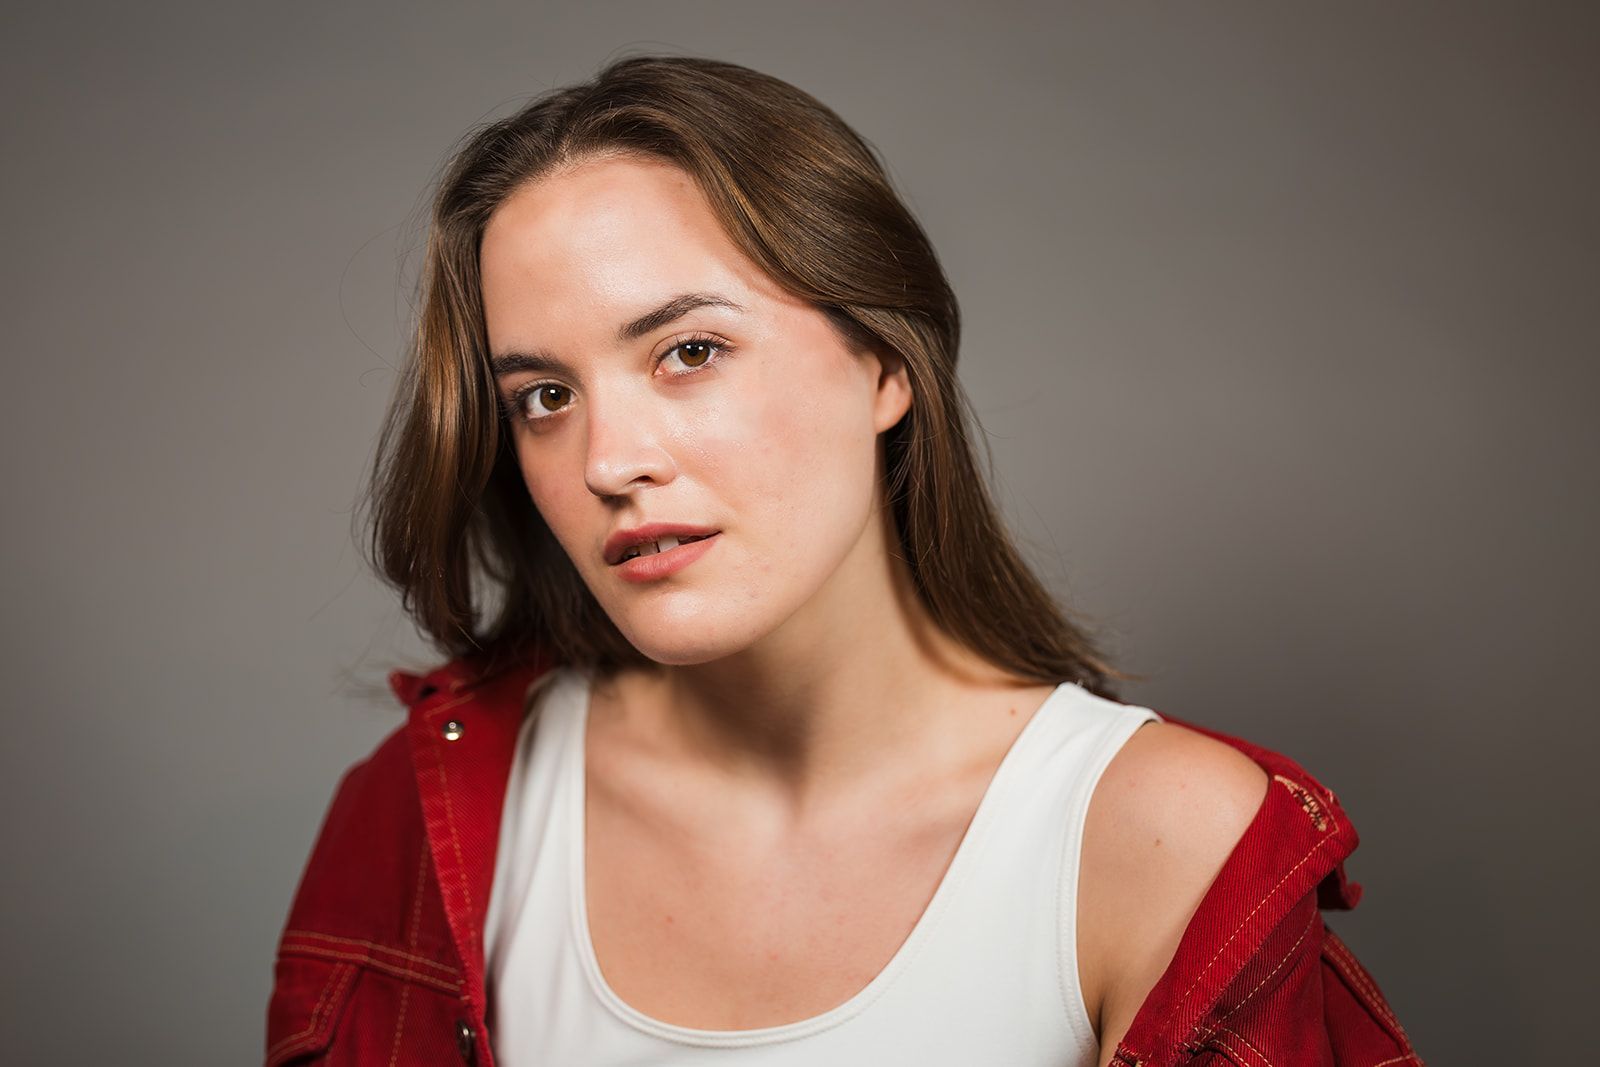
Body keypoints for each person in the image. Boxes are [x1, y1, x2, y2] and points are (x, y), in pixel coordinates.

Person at [265, 54, 1423, 1066]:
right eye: (545, 396)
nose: (610, 459)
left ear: (883, 366)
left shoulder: (1159, 838)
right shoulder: (428, 813)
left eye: (690, 349)